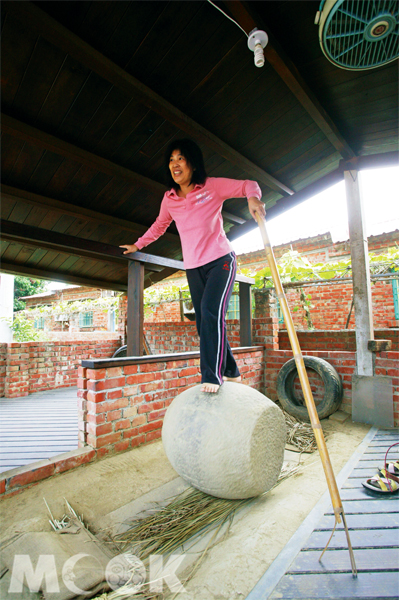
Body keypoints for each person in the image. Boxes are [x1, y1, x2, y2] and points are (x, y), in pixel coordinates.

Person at [120, 139, 265, 393]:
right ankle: (232, 371)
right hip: (194, 267)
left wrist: (253, 200)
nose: (175, 164)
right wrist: (138, 245)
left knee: (210, 312)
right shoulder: (170, 199)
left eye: (181, 158)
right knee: (203, 322)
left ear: (192, 163)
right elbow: (159, 225)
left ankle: (212, 375)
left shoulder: (211, 187)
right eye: (171, 160)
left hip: (221, 261)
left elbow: (248, 185)